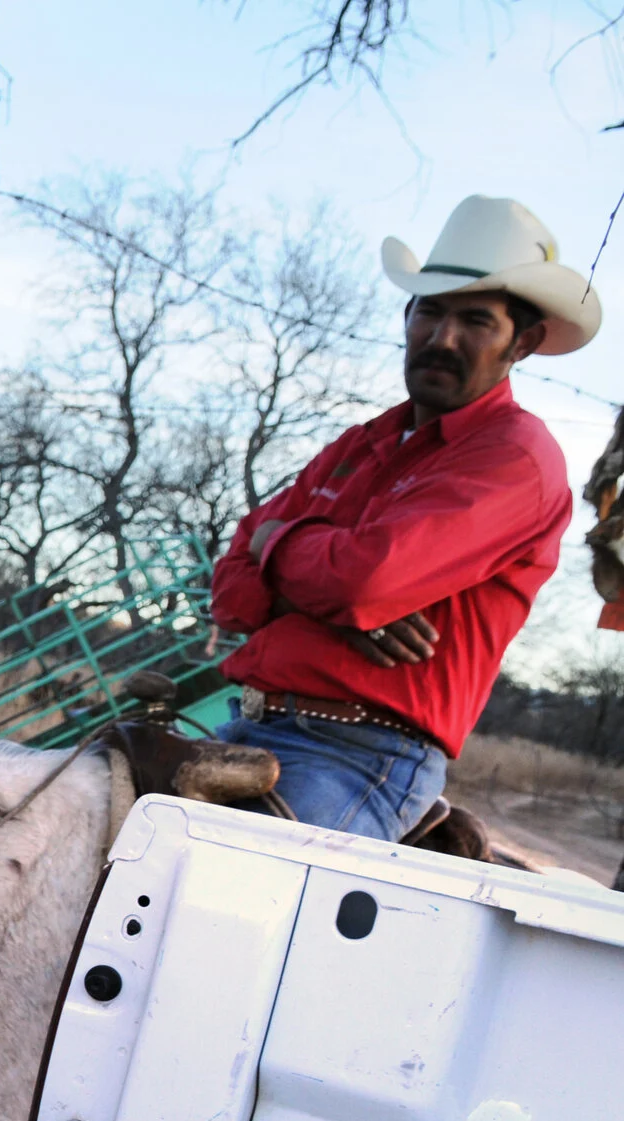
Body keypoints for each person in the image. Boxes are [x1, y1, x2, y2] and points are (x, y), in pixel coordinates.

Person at [209, 195, 597, 839]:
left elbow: (366, 585)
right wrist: (323, 594)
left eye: (475, 320)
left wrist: (282, 550)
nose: (443, 338)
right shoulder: (361, 443)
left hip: (356, 758)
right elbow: (230, 590)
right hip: (249, 725)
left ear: (522, 342)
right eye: (431, 312)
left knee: (217, 908)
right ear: (407, 315)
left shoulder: (515, 458)